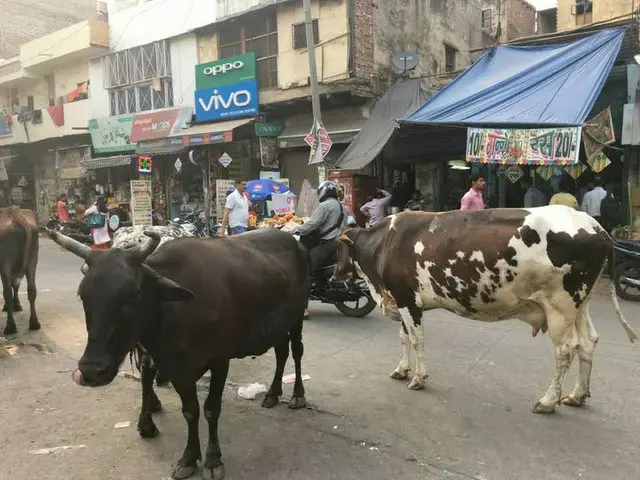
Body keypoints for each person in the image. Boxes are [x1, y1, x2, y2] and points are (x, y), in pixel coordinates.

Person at [295, 181, 348, 319]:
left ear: (322, 192)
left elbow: (313, 224)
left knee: (306, 270)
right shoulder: (343, 207)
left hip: (327, 244)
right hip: (339, 243)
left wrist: (295, 230)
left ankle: (303, 309)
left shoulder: (324, 206)